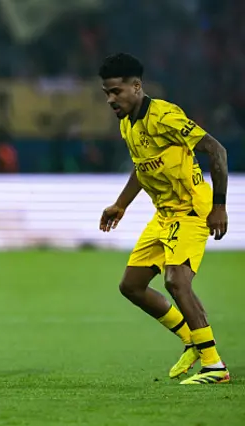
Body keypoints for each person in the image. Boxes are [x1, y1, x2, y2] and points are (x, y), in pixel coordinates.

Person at [98, 53, 230, 384]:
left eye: (116, 91)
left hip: (192, 211)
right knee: (131, 286)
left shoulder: (165, 117)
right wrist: (121, 205)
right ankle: (191, 339)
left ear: (136, 86)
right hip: (165, 215)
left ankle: (214, 366)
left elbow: (217, 150)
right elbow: (144, 169)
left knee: (176, 281)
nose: (111, 99)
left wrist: (219, 206)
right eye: (106, 93)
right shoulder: (127, 123)